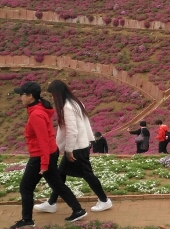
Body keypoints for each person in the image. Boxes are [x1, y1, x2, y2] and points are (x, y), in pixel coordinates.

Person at [11, 81, 85, 228]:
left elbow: (43, 141)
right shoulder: (38, 109)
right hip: (49, 152)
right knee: (56, 183)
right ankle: (77, 210)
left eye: (22, 95)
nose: (20, 97)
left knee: (25, 187)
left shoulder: (36, 115)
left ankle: (27, 220)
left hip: (41, 156)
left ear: (30, 96)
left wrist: (44, 164)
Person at [37, 80, 113, 215]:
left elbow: (72, 131)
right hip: (81, 145)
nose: (53, 98)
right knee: (61, 174)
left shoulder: (67, 107)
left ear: (58, 94)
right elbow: (85, 124)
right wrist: (89, 140)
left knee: (87, 175)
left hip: (77, 148)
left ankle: (104, 200)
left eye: (53, 94)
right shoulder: (76, 102)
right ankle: (51, 203)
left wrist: (68, 149)